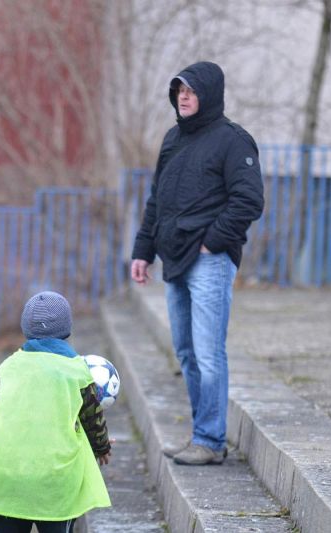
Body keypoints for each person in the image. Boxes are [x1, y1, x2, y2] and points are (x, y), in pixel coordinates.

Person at [130, 61, 264, 466]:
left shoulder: (233, 141)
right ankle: (200, 435)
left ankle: (210, 440)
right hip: (174, 260)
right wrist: (143, 249)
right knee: (186, 353)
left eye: (190, 91)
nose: (183, 97)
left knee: (208, 354)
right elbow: (158, 200)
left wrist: (213, 242)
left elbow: (249, 201)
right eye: (178, 91)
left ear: (208, 94)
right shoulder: (173, 139)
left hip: (209, 261)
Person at [0, 291, 112, 532]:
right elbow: (92, 417)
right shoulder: (77, 371)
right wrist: (102, 446)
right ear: (67, 328)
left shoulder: (8, 367)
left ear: (26, 328)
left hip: (6, 477)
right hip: (54, 482)